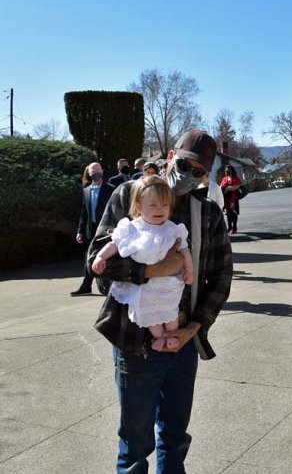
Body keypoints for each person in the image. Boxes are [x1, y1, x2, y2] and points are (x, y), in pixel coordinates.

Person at [89, 130, 232, 473]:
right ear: (170, 157)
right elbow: (98, 262)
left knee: (175, 435)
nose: (189, 174)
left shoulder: (208, 213)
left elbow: (221, 277)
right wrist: (155, 268)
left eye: (199, 171)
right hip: (135, 342)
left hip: (182, 342)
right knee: (136, 442)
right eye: (184, 164)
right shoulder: (130, 195)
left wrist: (194, 328)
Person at [91, 176, 194, 351]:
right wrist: (100, 257)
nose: (159, 209)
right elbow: (113, 244)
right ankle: (158, 336)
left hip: (167, 284)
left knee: (169, 308)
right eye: (153, 205)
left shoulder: (172, 228)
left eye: (164, 205)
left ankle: (171, 333)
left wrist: (189, 271)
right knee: (146, 310)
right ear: (139, 206)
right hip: (142, 285)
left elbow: (185, 251)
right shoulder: (131, 228)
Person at [72, 162, 115, 296]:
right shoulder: (86, 190)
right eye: (92, 171)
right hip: (91, 229)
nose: (95, 172)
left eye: (98, 170)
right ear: (89, 173)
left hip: (107, 229)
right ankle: (86, 286)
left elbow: (115, 210)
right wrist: (80, 231)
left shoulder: (111, 189)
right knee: (89, 257)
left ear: (102, 171)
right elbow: (84, 213)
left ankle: (110, 286)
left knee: (108, 256)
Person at [220, 164, 241, 234]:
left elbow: (236, 187)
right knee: (228, 214)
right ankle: (229, 227)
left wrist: (226, 188)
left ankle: (234, 228)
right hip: (226, 199)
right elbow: (221, 186)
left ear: (231, 171)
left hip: (233, 199)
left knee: (234, 213)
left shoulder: (235, 178)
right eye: (225, 171)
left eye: (228, 171)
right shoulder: (224, 178)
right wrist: (224, 188)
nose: (226, 172)